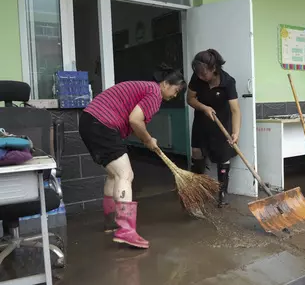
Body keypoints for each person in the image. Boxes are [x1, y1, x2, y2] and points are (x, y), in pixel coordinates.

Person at [79, 65, 186, 249]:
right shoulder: (154, 93)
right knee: (125, 175)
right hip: (102, 124)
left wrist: (147, 140)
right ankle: (126, 230)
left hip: (90, 122)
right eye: (175, 91)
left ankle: (111, 223)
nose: (174, 96)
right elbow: (135, 120)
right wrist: (147, 139)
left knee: (114, 175)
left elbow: (135, 121)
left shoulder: (146, 88)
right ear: (166, 84)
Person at [186, 49, 241, 207]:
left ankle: (222, 193)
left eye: (204, 74)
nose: (201, 77)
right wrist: (204, 107)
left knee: (223, 157)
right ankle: (197, 190)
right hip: (201, 122)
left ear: (214, 69)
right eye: (198, 74)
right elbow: (190, 99)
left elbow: (235, 110)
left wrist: (235, 133)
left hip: (221, 123)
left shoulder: (228, 82)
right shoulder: (197, 78)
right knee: (197, 154)